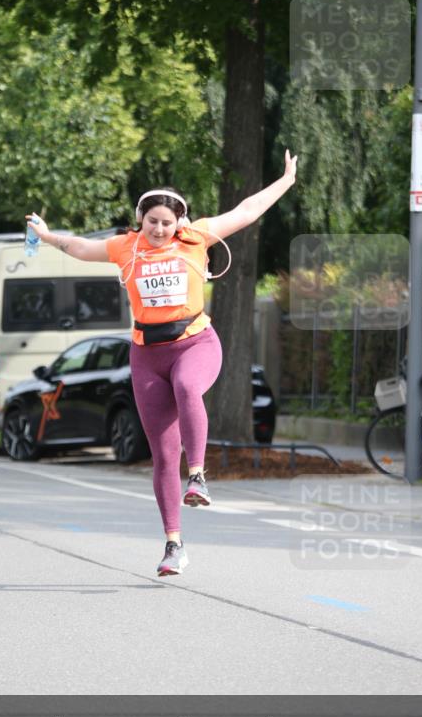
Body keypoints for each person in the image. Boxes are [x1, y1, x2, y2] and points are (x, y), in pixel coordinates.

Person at [26, 149, 297, 576]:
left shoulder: (197, 238)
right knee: (161, 456)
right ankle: (174, 545)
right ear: (141, 219)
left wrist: (286, 180)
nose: (159, 228)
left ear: (179, 222)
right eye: (152, 220)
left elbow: (246, 211)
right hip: (147, 355)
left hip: (195, 343)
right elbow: (80, 247)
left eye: (167, 222)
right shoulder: (125, 247)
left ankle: (199, 477)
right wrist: (47, 235)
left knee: (189, 387)